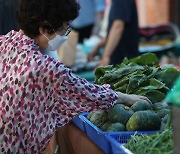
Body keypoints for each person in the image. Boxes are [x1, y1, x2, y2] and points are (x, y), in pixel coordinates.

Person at [0, 0, 151, 153]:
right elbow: (89, 93)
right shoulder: (43, 67)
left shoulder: (4, 42)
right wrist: (126, 97)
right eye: (64, 30)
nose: (64, 36)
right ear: (44, 27)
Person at [88, 0, 139, 66]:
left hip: (124, 63)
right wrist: (99, 45)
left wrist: (105, 57)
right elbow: (113, 31)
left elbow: (118, 26)